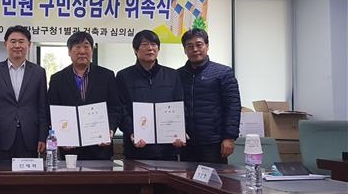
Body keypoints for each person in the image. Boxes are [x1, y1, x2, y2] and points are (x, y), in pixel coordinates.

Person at [47, 31, 120, 160]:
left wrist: (110, 129)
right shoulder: (57, 79)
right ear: (69, 52)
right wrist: (61, 136)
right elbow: (51, 111)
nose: (82, 51)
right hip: (70, 150)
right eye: (77, 47)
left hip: (100, 148)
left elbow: (115, 108)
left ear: (92, 50)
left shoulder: (107, 76)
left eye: (86, 47)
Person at [0, 25, 48, 159]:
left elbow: (42, 107)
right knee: (1, 172)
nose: (17, 45)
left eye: (21, 41)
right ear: (6, 44)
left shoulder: (39, 72)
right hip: (1, 138)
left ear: (29, 45)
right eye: (13, 41)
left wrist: (42, 136)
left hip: (30, 137)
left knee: (28, 171)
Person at [116, 30, 185, 161]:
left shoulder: (172, 75)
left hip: (168, 148)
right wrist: (131, 131)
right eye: (145, 44)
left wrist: (179, 130)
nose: (150, 48)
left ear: (158, 49)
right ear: (135, 50)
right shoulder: (123, 76)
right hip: (136, 147)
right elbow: (121, 109)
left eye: (154, 44)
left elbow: (180, 105)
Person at [177, 28, 241, 163]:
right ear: (185, 50)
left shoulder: (223, 73)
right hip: (185, 143)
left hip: (214, 143)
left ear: (207, 46)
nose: (195, 49)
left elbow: (233, 106)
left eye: (199, 44)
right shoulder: (178, 75)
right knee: (186, 176)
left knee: (214, 177)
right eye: (190, 46)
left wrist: (229, 137)